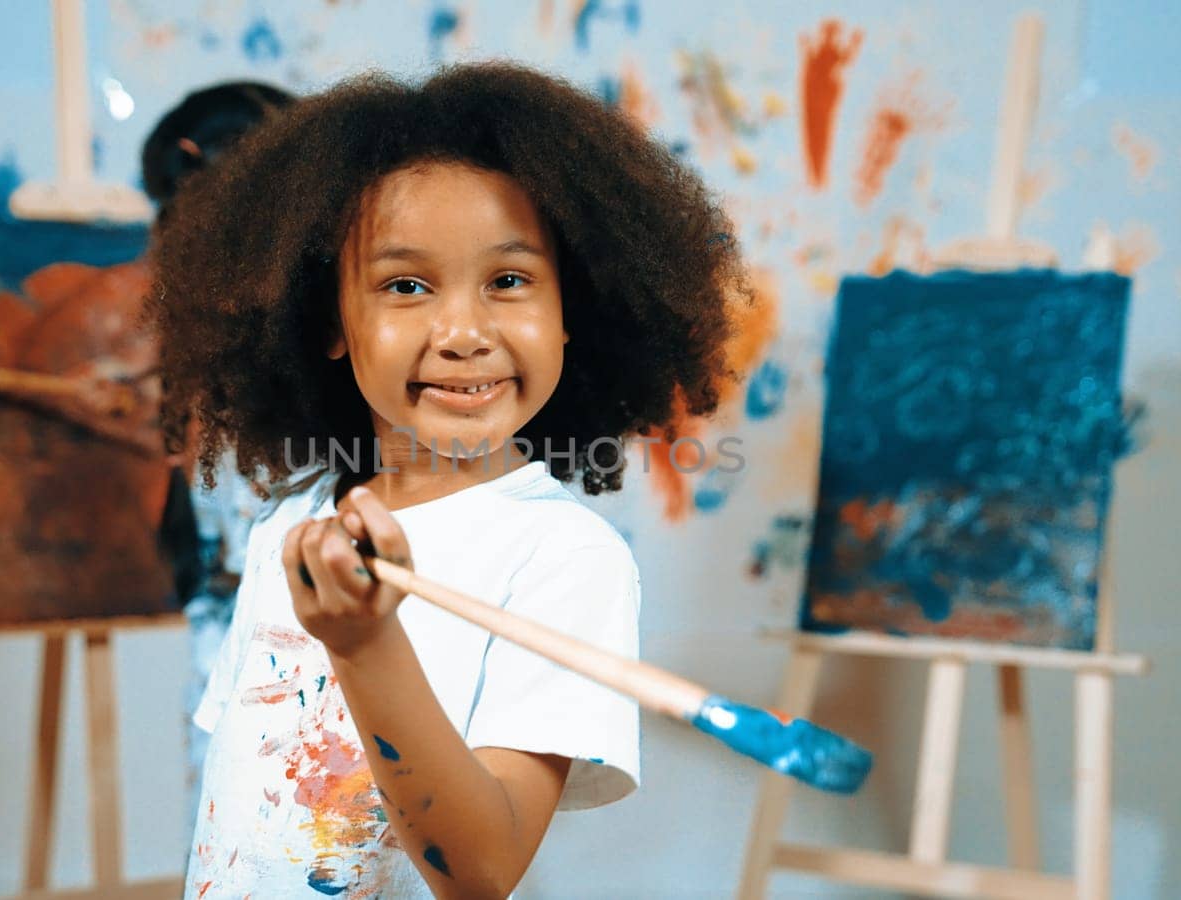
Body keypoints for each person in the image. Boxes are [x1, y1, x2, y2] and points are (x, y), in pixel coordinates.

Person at [146, 61, 752, 899]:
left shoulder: (564, 558)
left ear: (573, 311)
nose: (463, 331)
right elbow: (239, 817)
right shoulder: (292, 527)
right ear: (328, 320)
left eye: (508, 281)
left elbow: (481, 871)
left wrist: (364, 646)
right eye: (405, 285)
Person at [138, 79, 297, 823]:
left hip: (326, 645)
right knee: (226, 824)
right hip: (227, 631)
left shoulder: (330, 323)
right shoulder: (197, 339)